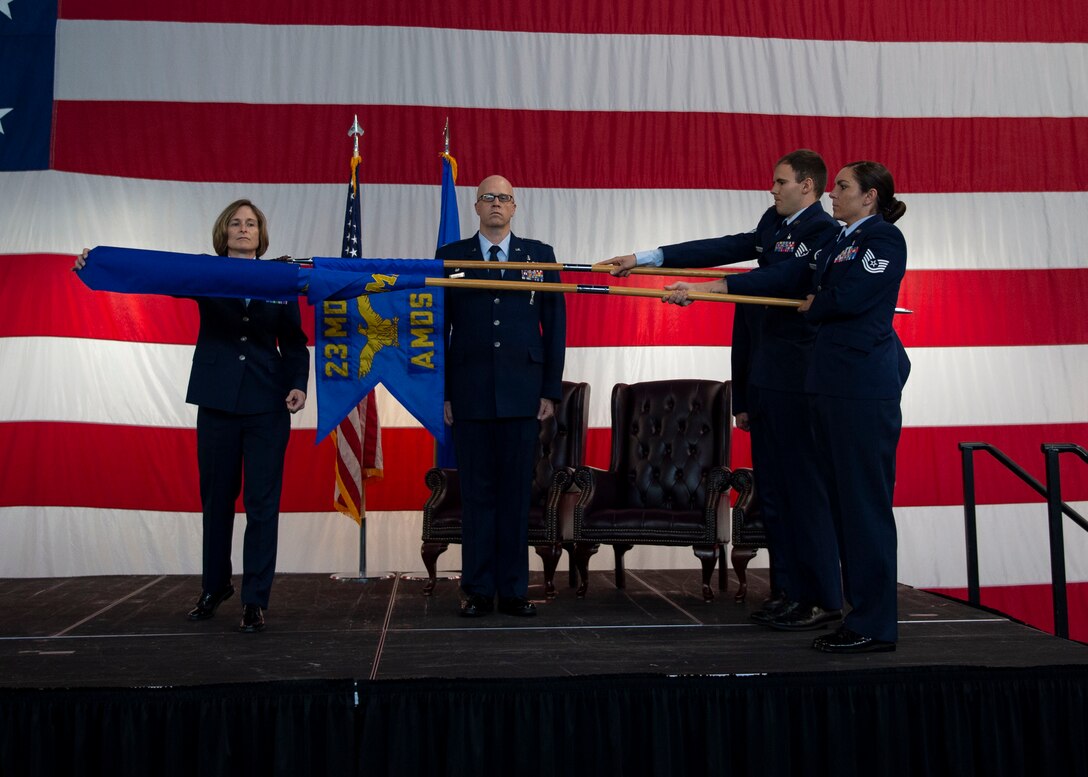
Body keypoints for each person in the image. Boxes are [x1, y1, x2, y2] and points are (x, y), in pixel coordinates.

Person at [665, 161, 910, 653]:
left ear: (870, 198)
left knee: (863, 511)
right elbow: (794, 275)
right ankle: (853, 613)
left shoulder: (883, 240)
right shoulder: (839, 242)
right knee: (843, 509)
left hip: (862, 389)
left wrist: (812, 301)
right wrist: (719, 289)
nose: (833, 194)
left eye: (842, 187)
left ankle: (875, 623)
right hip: (831, 388)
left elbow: (850, 296)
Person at [598, 150, 843, 631]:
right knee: (773, 495)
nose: (771, 190)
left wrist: (709, 289)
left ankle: (824, 597)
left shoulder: (824, 233)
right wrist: (646, 259)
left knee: (804, 494)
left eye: (780, 182)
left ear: (808, 187)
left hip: (801, 384)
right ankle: (788, 592)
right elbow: (723, 245)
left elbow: (779, 278)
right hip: (766, 382)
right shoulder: (774, 224)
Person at [76, 199, 310, 633]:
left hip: (266, 405)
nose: (244, 229)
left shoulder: (280, 275)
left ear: (261, 234)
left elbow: (294, 342)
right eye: (236, 223)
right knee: (217, 501)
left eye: (251, 224)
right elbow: (156, 272)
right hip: (217, 401)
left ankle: (255, 599)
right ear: (224, 232)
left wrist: (298, 383)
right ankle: (214, 586)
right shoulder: (206, 272)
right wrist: (100, 262)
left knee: (262, 506)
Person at [437, 175, 566, 617]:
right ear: (476, 207)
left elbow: (556, 327)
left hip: (522, 390)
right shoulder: (451, 257)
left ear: (514, 208)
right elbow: (438, 329)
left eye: (504, 198)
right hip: (469, 391)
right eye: (488, 197)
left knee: (515, 495)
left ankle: (512, 590)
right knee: (476, 494)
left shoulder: (540, 256)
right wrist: (445, 392)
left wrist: (550, 389)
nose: (496, 204)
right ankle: (475, 589)